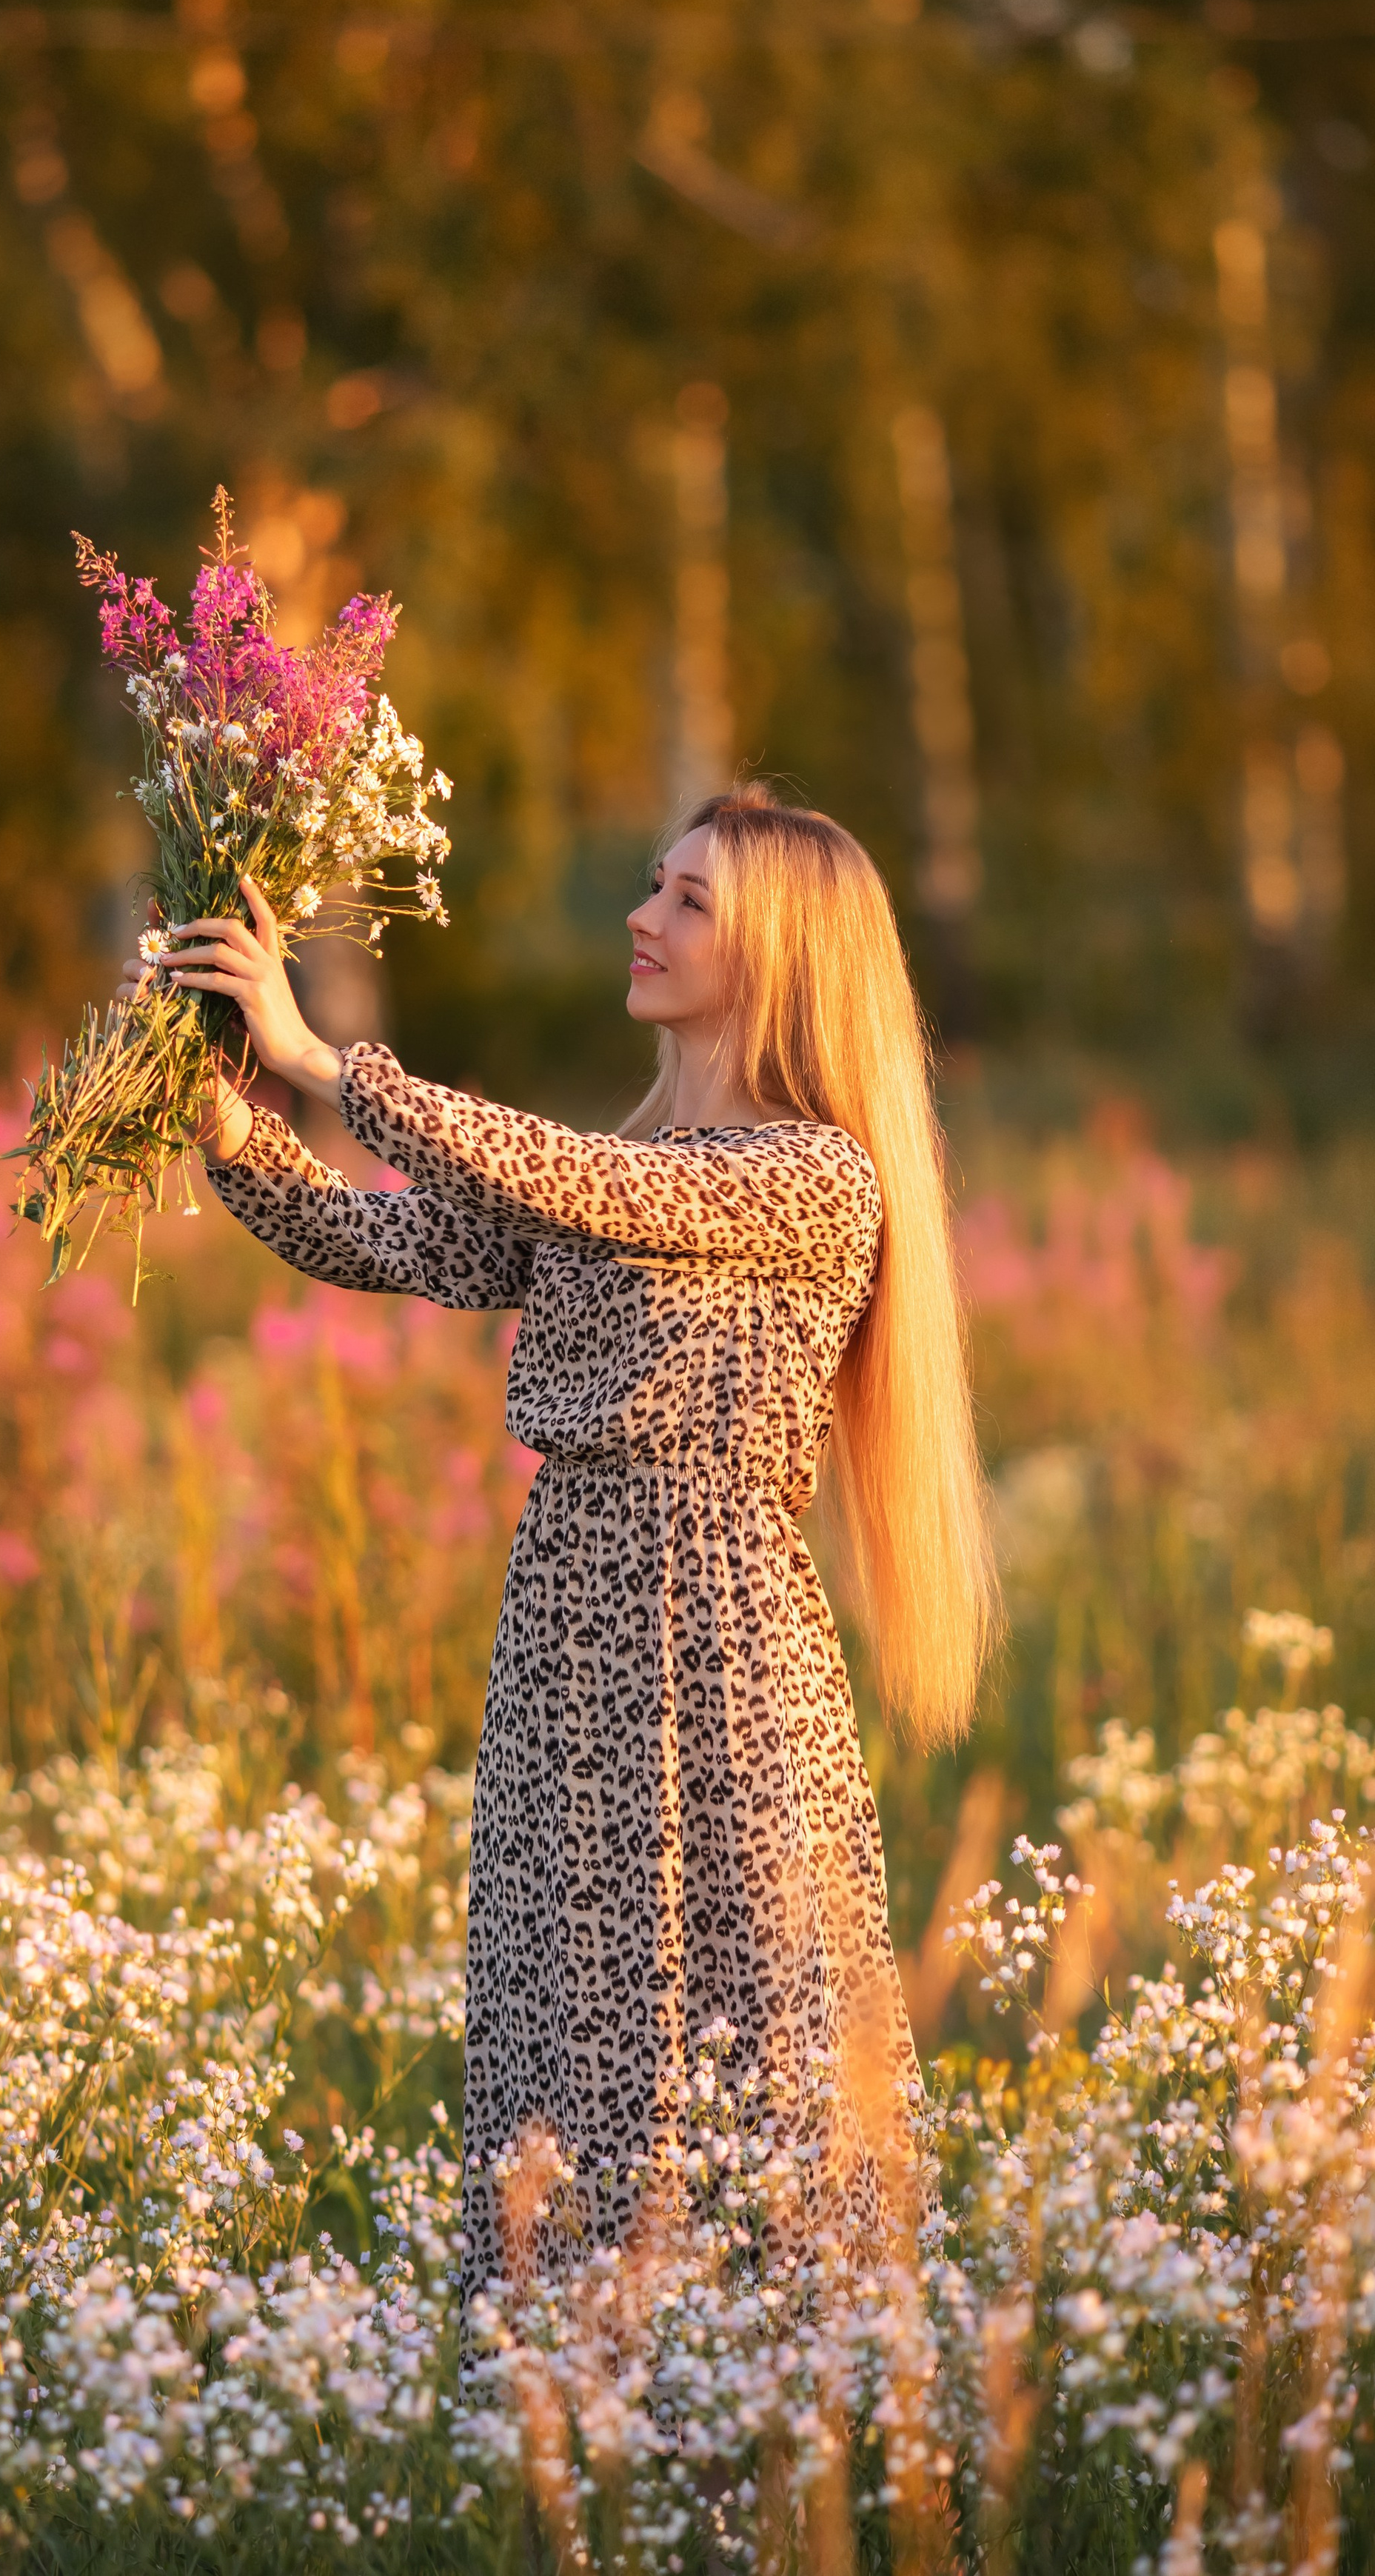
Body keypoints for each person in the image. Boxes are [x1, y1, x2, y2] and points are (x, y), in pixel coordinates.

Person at [122, 780, 999, 2295]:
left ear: (779, 955)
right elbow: (397, 1238)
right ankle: (576, 2425)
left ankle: (767, 2444)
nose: (641, 918)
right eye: (653, 886)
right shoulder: (629, 1164)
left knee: (737, 2031)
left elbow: (583, 1181)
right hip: (566, 1628)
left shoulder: (810, 1174)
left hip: (708, 1639)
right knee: (566, 2022)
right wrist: (220, 1113)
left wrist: (325, 1057)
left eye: (686, 901)